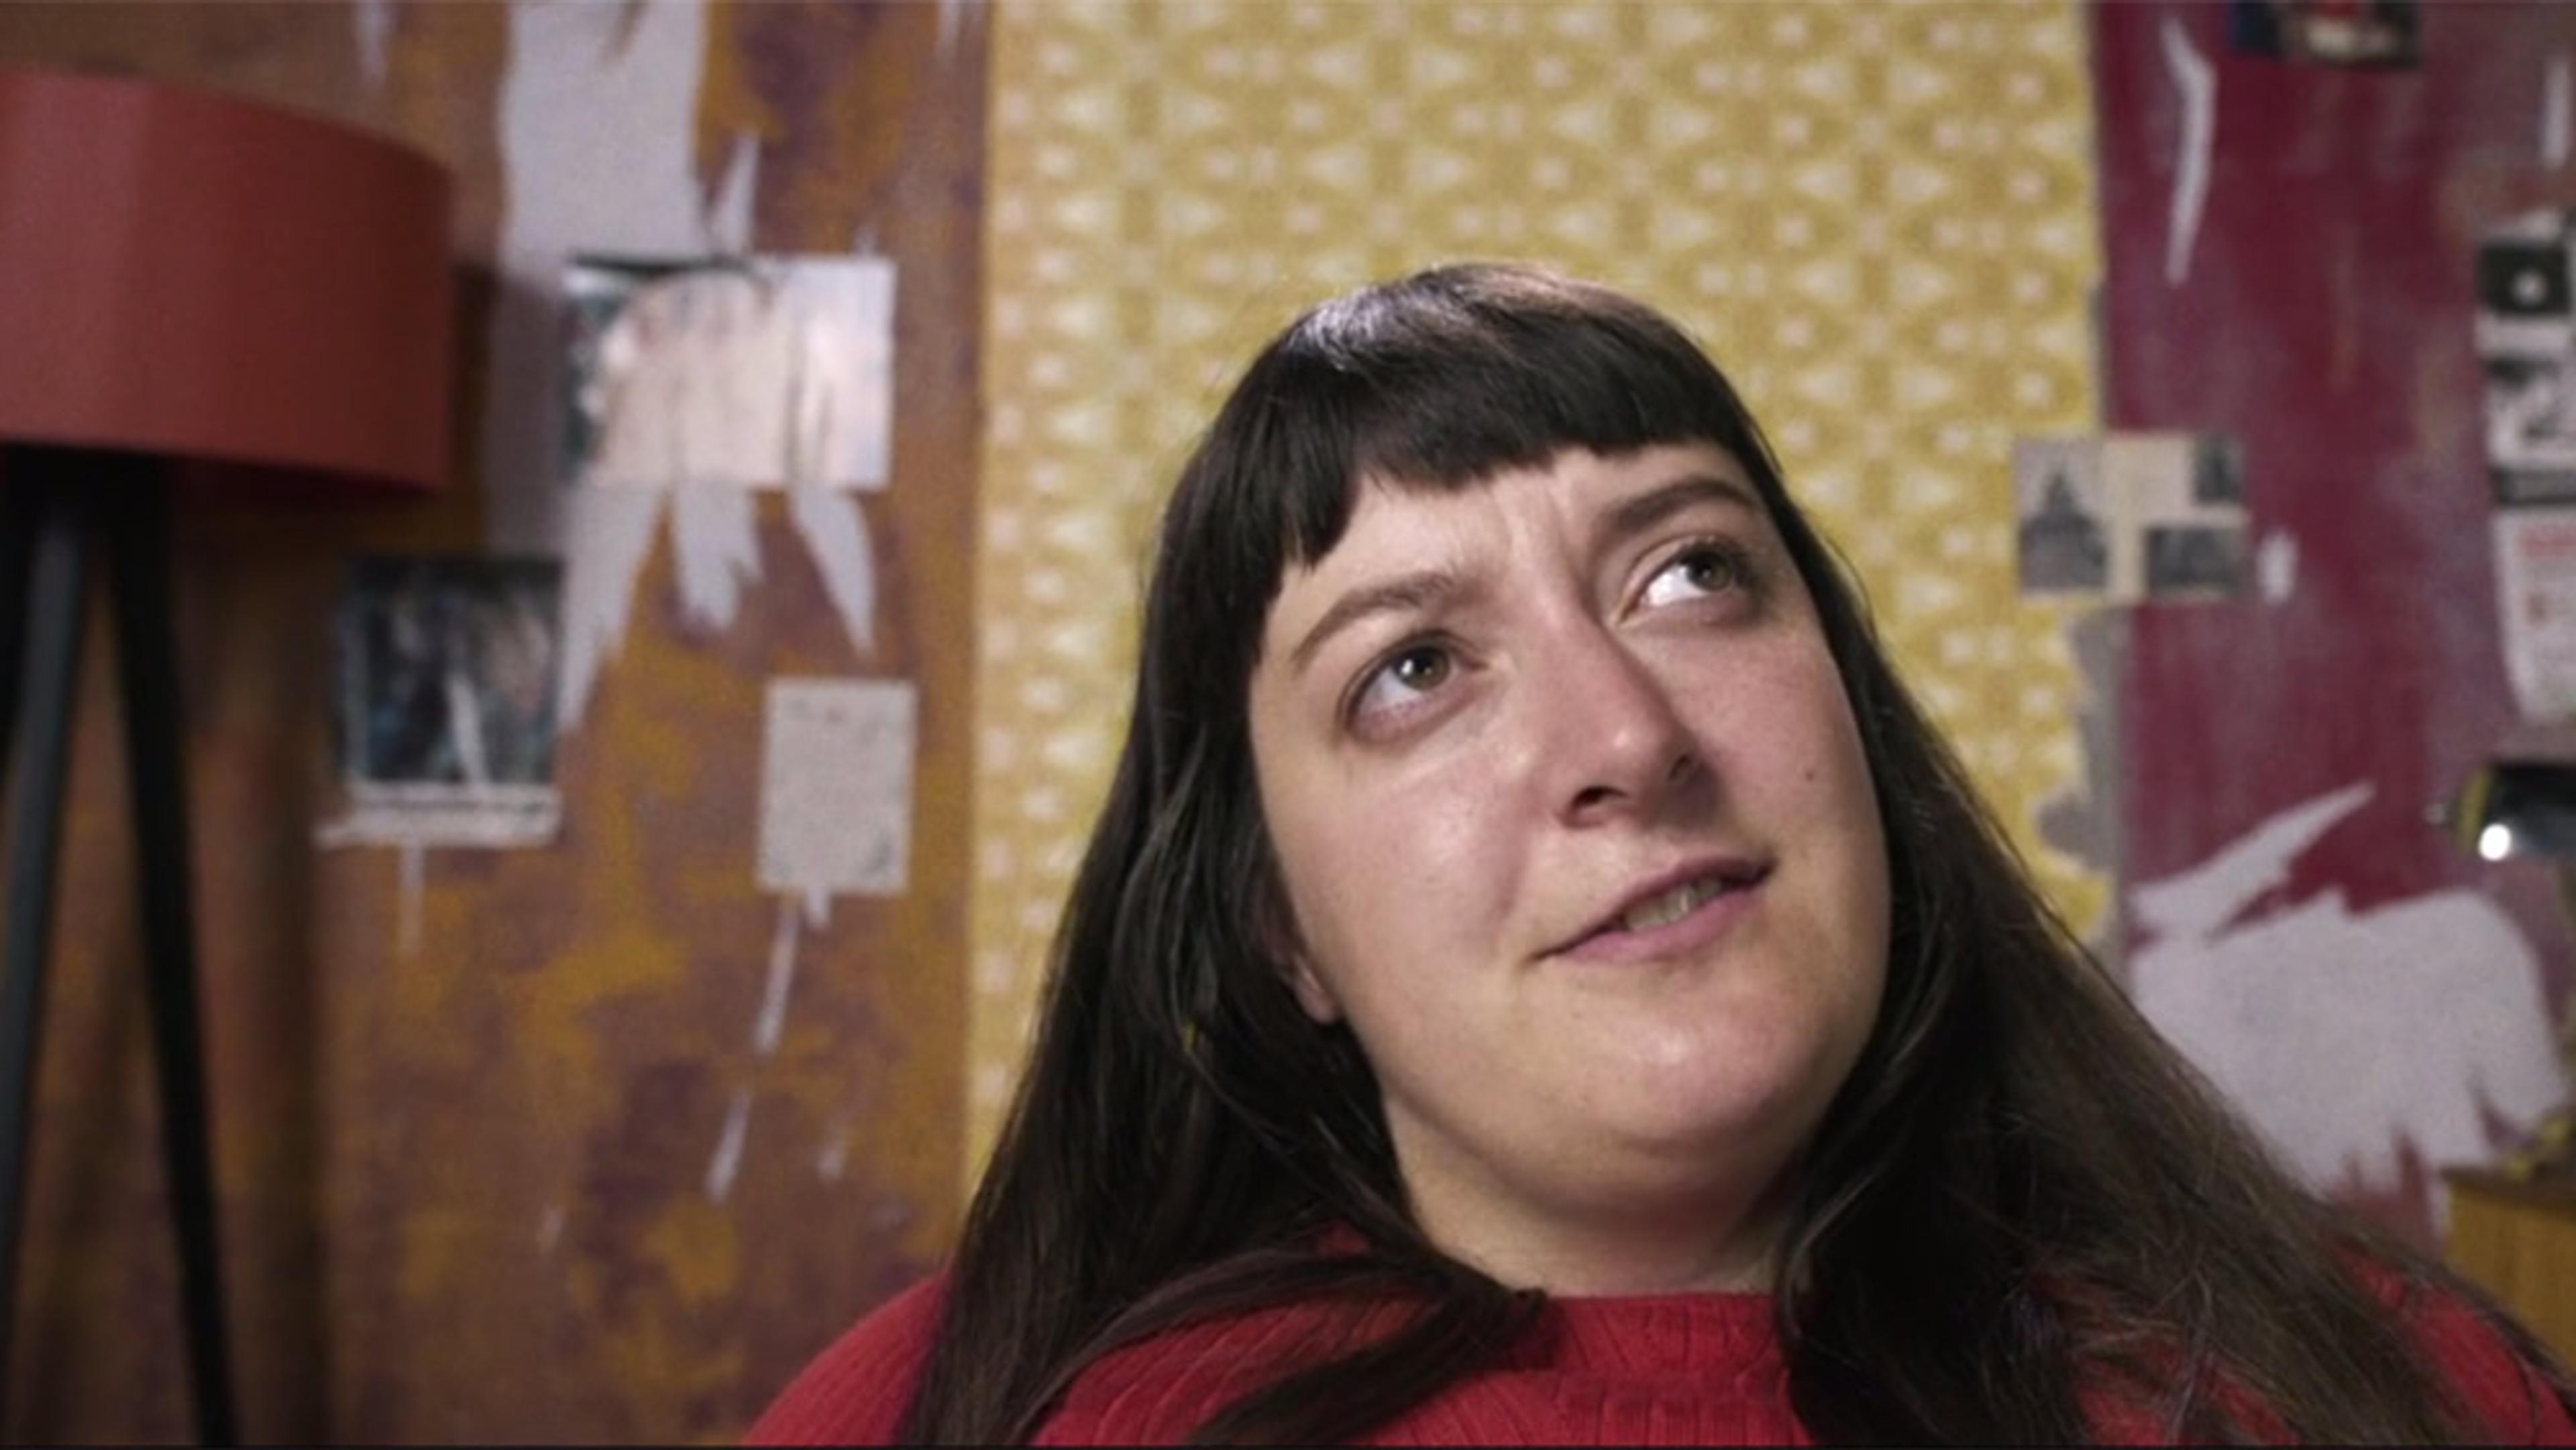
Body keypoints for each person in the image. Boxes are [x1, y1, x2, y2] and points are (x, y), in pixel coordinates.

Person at [750, 264, 2576, 1445]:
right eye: (1412, 669)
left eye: (1692, 571)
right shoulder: (966, 1407)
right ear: (1275, 927)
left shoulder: (2389, 1385)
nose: (1628, 737)